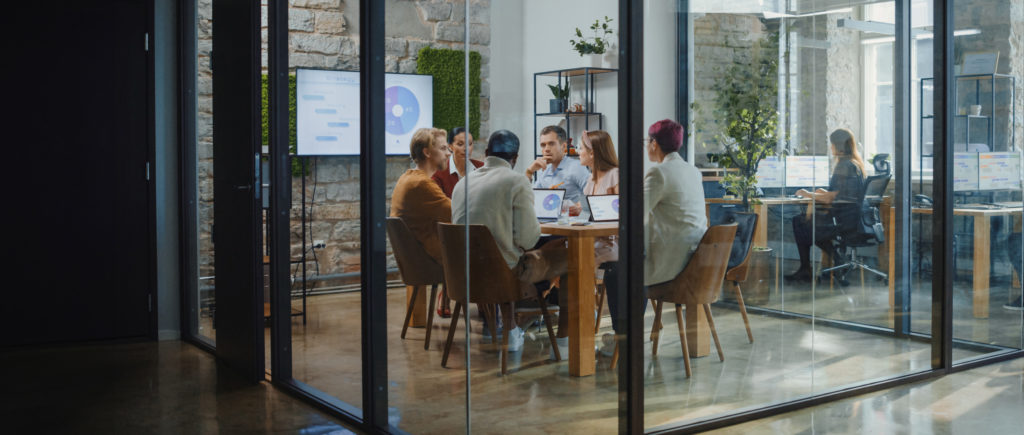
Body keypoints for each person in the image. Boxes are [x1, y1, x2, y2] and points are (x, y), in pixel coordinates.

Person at [452, 130, 568, 353]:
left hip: (463, 277)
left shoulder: (462, 184)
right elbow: (528, 239)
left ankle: (512, 328)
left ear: (486, 153)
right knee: (571, 256)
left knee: (503, 251)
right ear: (515, 158)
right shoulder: (516, 181)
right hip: (505, 279)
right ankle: (565, 341)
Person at [601, 120, 707, 355]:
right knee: (628, 264)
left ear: (654, 143)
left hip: (671, 264)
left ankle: (624, 340)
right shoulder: (692, 170)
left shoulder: (659, 171)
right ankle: (628, 336)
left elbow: (633, 214)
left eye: (646, 142)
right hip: (696, 261)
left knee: (615, 272)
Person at [785, 128, 867, 284]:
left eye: (832, 145)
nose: (831, 148)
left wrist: (807, 193)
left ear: (838, 145)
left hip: (841, 221)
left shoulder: (844, 165)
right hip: (852, 219)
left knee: (800, 223)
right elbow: (839, 194)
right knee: (807, 224)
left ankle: (814, 266)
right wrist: (821, 192)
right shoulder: (855, 164)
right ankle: (833, 260)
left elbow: (831, 197)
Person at [390, 128, 452, 266]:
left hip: (414, 260)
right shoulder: (421, 184)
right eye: (443, 148)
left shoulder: (407, 178)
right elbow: (456, 214)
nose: (448, 154)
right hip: (427, 262)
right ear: (427, 152)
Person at [525, 125, 591, 213]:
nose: (546, 149)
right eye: (543, 145)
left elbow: (594, 195)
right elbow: (529, 199)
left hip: (570, 223)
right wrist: (529, 172)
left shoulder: (576, 168)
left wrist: (579, 206)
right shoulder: (545, 171)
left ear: (563, 146)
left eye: (551, 144)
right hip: (549, 222)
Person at [433, 127, 482, 198]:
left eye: (470, 144)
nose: (466, 149)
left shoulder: (482, 167)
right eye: (460, 144)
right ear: (450, 147)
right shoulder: (438, 173)